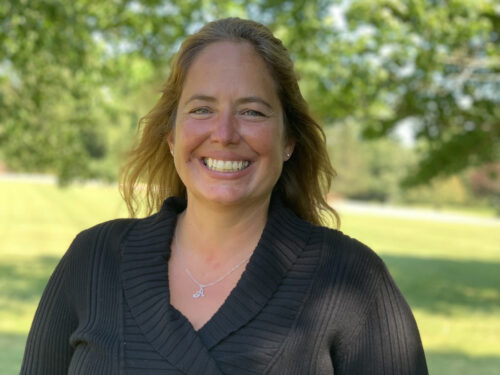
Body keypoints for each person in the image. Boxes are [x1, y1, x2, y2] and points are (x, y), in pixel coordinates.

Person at [21, 18, 428, 374]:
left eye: (252, 112)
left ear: (288, 140)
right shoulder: (94, 260)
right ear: (171, 135)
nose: (224, 134)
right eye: (201, 110)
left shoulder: (352, 279)